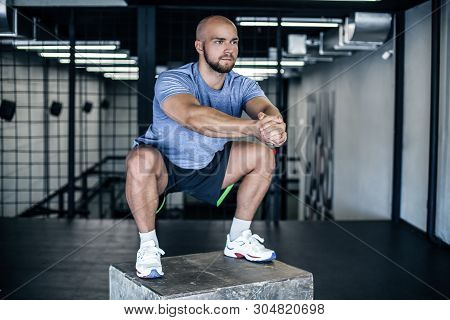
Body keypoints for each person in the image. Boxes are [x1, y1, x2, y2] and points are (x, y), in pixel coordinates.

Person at [126, 15, 287, 279]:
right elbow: (193, 117)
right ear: (200, 46)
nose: (229, 49)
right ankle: (148, 247)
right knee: (138, 159)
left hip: (211, 164)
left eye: (234, 41)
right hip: (165, 166)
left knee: (262, 154)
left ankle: (237, 239)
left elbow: (266, 109)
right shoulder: (172, 80)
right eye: (219, 41)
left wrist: (274, 126)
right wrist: (252, 128)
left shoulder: (243, 84)